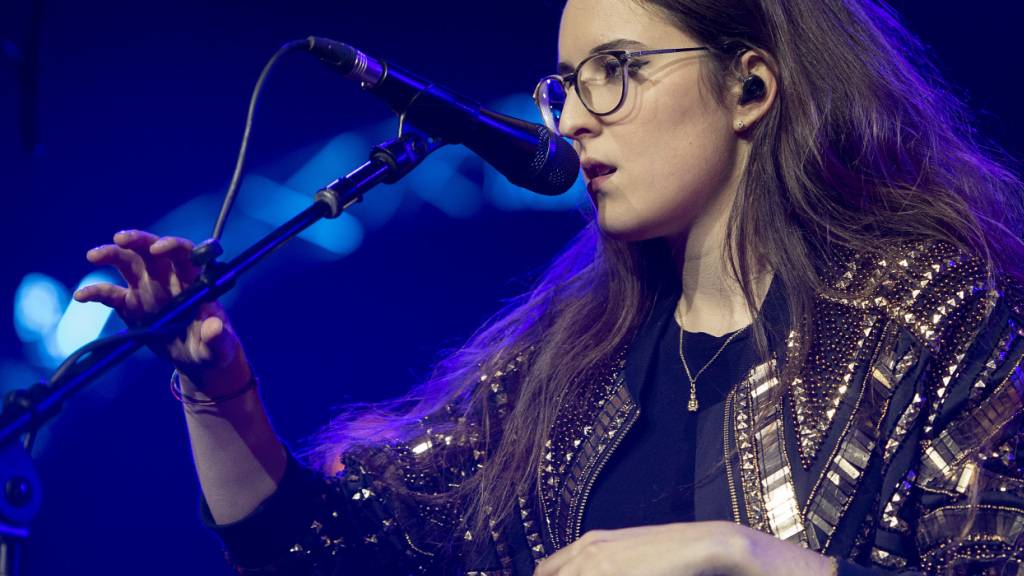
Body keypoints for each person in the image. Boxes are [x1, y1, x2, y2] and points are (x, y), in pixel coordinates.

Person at [74, 0, 1024, 574]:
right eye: (566, 83)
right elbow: (338, 559)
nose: (573, 118)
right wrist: (216, 389)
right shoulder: (569, 356)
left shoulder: (938, 321)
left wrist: (750, 558)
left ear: (751, 88)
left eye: (616, 71)